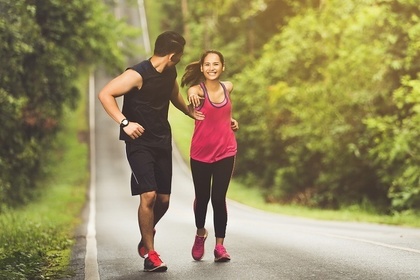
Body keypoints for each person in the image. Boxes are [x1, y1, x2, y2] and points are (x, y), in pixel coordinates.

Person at [98, 31, 203, 272]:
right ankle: (151, 254)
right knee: (149, 196)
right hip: (139, 143)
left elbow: (173, 93)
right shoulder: (136, 74)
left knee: (164, 201)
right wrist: (125, 123)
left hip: (162, 141)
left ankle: (147, 232)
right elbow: (105, 94)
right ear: (173, 55)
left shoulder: (169, 71)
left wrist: (188, 111)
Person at [181, 50, 239, 262]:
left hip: (226, 150)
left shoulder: (228, 87)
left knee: (218, 198)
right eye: (207, 64)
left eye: (216, 64)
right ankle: (200, 233)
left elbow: (224, 112)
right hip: (201, 153)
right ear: (202, 68)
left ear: (223, 67)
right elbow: (190, 93)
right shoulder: (197, 90)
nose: (212, 68)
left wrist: (231, 121)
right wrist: (191, 95)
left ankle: (219, 246)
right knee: (203, 198)